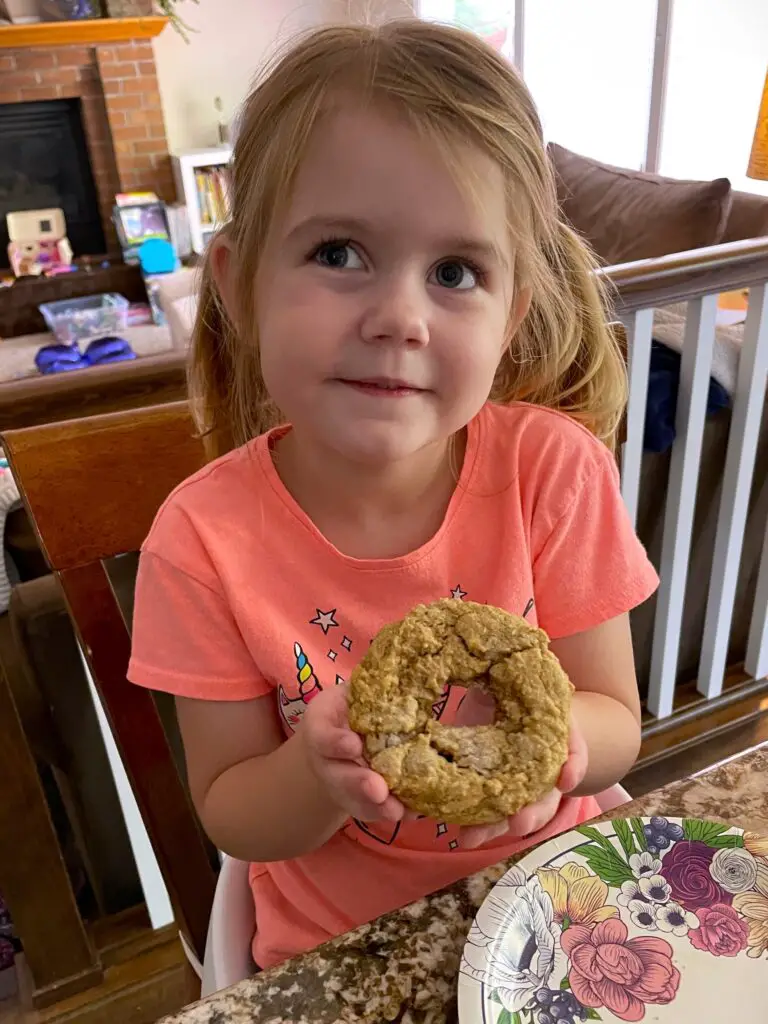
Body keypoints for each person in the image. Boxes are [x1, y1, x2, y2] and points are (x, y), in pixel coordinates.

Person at [128, 19, 659, 970]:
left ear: (511, 318)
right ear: (242, 283)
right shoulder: (202, 539)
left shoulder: (554, 472)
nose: (400, 318)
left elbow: (616, 716)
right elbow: (233, 812)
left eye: (455, 273)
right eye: (339, 253)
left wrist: (564, 747)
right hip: (344, 942)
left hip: (559, 899)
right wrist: (315, 771)